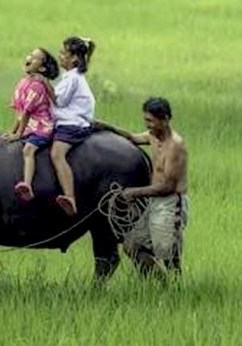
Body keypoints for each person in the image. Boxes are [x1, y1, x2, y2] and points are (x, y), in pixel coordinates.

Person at [96, 97, 189, 276]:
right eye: (146, 120)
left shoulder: (175, 146)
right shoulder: (153, 136)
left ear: (165, 119)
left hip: (171, 203)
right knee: (131, 245)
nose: (147, 125)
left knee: (167, 253)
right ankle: (161, 282)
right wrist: (106, 127)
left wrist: (134, 192)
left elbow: (168, 186)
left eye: (150, 121)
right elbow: (132, 137)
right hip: (155, 201)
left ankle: (176, 288)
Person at [4, 47, 59, 201]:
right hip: (28, 126)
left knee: (28, 150)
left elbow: (27, 113)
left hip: (41, 128)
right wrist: (13, 131)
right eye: (30, 55)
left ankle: (27, 184)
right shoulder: (22, 83)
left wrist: (18, 135)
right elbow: (19, 112)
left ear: (41, 67)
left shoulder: (37, 87)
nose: (29, 58)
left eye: (35, 58)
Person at [50, 36, 96, 216]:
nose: (60, 56)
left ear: (74, 59)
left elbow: (59, 101)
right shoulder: (74, 74)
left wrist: (44, 84)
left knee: (57, 154)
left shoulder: (72, 79)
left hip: (72, 124)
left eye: (63, 54)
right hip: (73, 120)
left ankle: (70, 196)